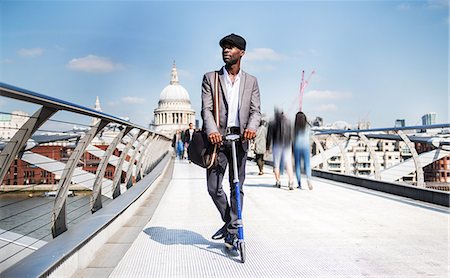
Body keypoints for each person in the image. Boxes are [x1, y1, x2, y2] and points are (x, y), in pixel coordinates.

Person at [202, 33, 261, 248]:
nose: (226, 50)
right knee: (213, 187)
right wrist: (212, 132)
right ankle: (231, 223)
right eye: (224, 47)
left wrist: (252, 128)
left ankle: (233, 231)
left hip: (241, 139)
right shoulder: (211, 78)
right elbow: (206, 110)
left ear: (242, 53)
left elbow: (256, 111)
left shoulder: (251, 81)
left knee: (237, 185)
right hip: (218, 140)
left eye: (231, 47)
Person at [266, 108, 295, 190]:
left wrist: (267, 148)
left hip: (277, 145)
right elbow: (292, 136)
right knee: (288, 164)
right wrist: (292, 147)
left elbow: (269, 136)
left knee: (276, 165)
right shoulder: (288, 122)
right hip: (287, 145)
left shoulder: (272, 123)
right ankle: (291, 182)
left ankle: (278, 181)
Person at [293, 111, 313, 190]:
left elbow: (293, 138)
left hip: (297, 146)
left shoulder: (295, 127)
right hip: (305, 146)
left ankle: (299, 184)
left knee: (297, 165)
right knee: (307, 165)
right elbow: (311, 135)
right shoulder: (307, 126)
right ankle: (308, 179)